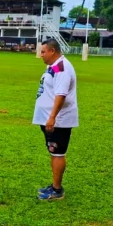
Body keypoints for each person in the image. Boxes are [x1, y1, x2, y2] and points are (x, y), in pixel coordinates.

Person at [33, 39, 78, 200]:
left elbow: (61, 95)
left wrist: (52, 118)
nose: (41, 55)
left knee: (58, 153)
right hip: (49, 119)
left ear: (52, 51)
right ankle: (54, 185)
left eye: (43, 52)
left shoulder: (62, 68)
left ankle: (57, 190)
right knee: (53, 152)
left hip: (59, 120)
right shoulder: (53, 66)